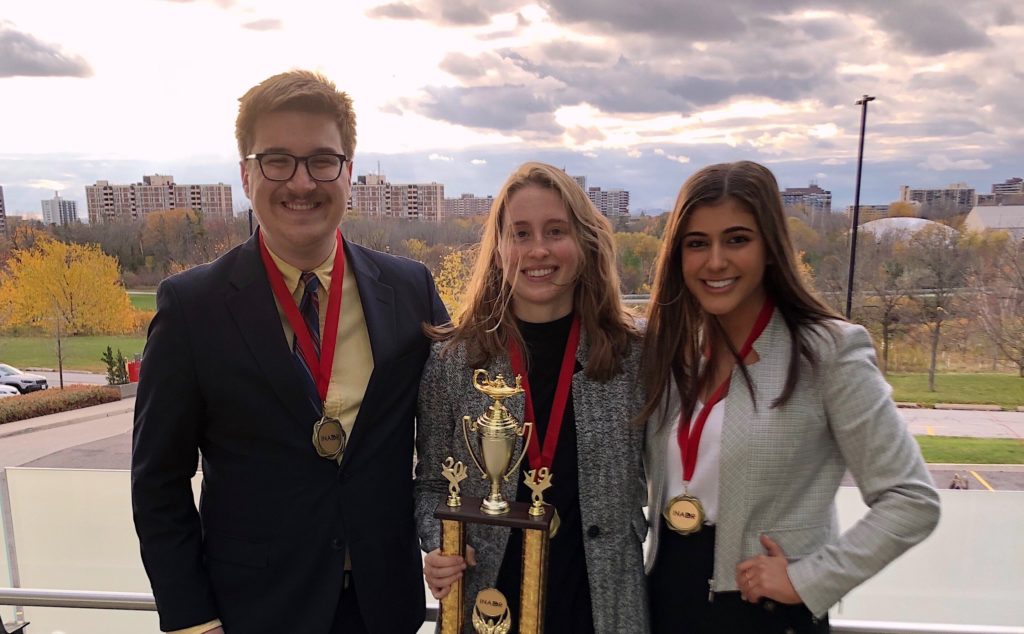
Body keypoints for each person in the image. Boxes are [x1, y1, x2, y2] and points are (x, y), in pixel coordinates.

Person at [131, 70, 447, 634]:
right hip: (251, 611)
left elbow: (457, 425)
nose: (301, 183)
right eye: (277, 160)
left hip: (383, 607)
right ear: (247, 174)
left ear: (349, 172)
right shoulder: (192, 307)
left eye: (323, 160)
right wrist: (191, 620)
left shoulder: (410, 290)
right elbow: (159, 481)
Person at [639, 161, 940, 633]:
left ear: (771, 249)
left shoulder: (828, 352)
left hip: (764, 611)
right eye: (697, 243)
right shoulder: (675, 353)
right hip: (666, 599)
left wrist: (811, 578)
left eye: (737, 239)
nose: (715, 261)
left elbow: (912, 499)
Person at [414, 162, 649, 633]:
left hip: (600, 606)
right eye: (520, 233)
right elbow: (429, 487)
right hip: (486, 605)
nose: (538, 249)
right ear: (499, 250)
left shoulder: (634, 356)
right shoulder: (453, 361)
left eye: (555, 231)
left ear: (583, 242)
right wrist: (442, 544)